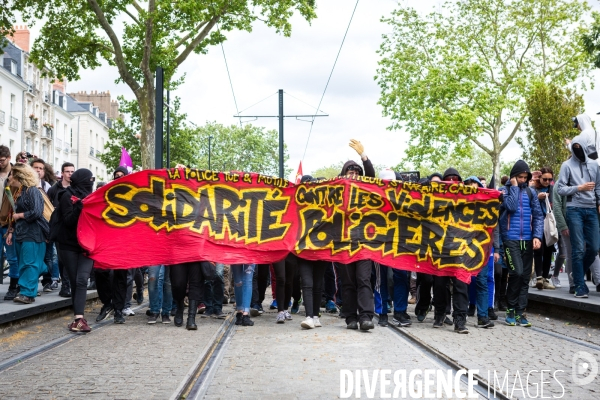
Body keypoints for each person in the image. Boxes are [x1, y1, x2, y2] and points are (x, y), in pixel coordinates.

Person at [499, 160, 544, 327]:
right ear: (513, 177)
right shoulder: (504, 191)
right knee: (516, 273)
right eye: (520, 177)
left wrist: (537, 236)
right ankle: (510, 309)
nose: (523, 180)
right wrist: (514, 188)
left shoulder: (531, 193)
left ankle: (520, 311)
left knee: (525, 277)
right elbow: (510, 207)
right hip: (510, 239)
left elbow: (538, 216)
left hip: (527, 240)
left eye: (525, 177)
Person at [338, 139, 376, 331]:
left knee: (363, 279)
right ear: (343, 175)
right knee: (348, 282)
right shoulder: (335, 190)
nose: (353, 175)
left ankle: (366, 317)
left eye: (356, 172)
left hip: (363, 243)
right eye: (350, 172)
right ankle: (351, 317)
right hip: (342, 243)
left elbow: (371, 177)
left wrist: (364, 157)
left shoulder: (365, 190)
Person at [556, 136, 600, 298]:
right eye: (574, 148)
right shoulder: (566, 166)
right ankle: (579, 287)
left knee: (594, 247)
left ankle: (577, 272)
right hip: (574, 209)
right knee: (578, 248)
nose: (577, 150)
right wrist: (578, 188)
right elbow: (560, 189)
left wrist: (599, 202)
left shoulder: (594, 165)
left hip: (591, 209)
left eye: (579, 147)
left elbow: (599, 187)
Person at [54, 169, 96, 331]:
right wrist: (79, 207)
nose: (90, 182)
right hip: (69, 244)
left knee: (81, 279)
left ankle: (79, 319)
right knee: (74, 280)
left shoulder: (93, 196)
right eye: (88, 179)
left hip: (87, 245)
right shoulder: (66, 196)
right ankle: (78, 317)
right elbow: (69, 222)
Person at [431, 168, 470, 333]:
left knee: (461, 285)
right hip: (440, 248)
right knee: (440, 284)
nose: (452, 182)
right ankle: (440, 313)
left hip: (461, 249)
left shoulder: (467, 198)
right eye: (449, 179)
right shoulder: (434, 199)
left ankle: (460, 319)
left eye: (456, 179)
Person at [5, 163, 48, 304]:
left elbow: (36, 211)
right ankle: (40, 270)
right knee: (24, 263)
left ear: (19, 176)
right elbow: (13, 214)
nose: (9, 177)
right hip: (21, 233)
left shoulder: (32, 190)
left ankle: (28, 293)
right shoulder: (19, 192)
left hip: (34, 233)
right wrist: (11, 231)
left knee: (29, 263)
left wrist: (20, 216)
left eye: (11, 174)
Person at [463, 176, 496, 328]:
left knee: (482, 282)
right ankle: (461, 315)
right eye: (469, 186)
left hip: (482, 250)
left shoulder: (487, 204)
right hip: (463, 250)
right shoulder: (459, 205)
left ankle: (482, 316)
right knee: (462, 282)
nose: (472, 189)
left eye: (475, 186)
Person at [31, 158, 60, 292]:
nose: (38, 170)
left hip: (45, 224)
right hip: (32, 225)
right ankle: (33, 281)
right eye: (35, 167)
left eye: (41, 168)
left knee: (48, 254)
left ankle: (47, 280)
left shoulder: (47, 186)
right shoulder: (24, 185)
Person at [47, 162, 75, 298]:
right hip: (58, 227)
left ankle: (67, 285)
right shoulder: (54, 189)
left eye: (72, 171)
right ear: (62, 173)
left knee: (69, 258)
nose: (70, 174)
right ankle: (64, 283)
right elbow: (47, 206)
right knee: (60, 257)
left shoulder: (76, 188)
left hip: (71, 228)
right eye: (68, 171)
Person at [0, 146, 21, 301]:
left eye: (2, 160)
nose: (0, 163)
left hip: (9, 222)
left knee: (12, 257)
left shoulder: (17, 175)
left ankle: (13, 286)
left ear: (8, 158)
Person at [533, 167, 556, 290]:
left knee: (549, 250)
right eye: (545, 179)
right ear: (539, 178)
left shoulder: (553, 190)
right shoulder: (533, 189)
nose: (547, 182)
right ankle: (539, 277)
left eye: (550, 179)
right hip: (537, 223)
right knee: (538, 250)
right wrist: (538, 198)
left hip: (551, 223)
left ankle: (546, 278)